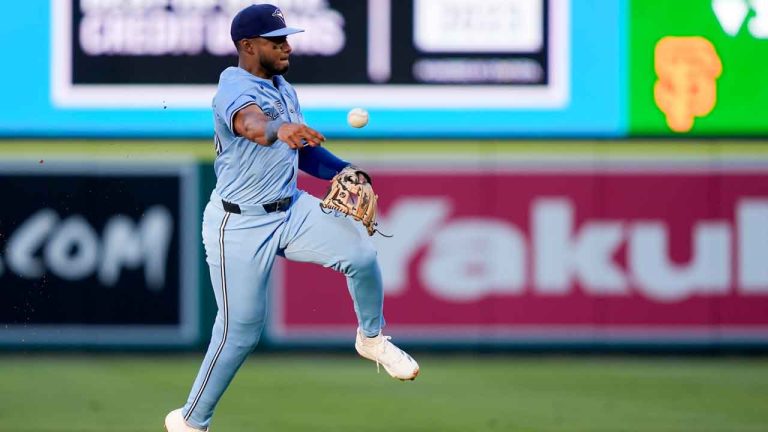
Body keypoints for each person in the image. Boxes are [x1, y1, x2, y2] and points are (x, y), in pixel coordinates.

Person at [164, 4, 419, 431]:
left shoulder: (283, 87)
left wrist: (341, 169)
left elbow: (301, 148)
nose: (286, 47)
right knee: (239, 332)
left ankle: (371, 338)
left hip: (290, 207)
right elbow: (249, 123)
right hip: (238, 223)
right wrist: (277, 130)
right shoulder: (233, 85)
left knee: (360, 251)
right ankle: (190, 421)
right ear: (248, 46)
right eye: (275, 40)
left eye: (287, 38)